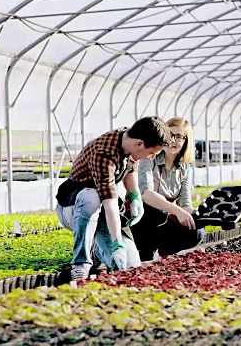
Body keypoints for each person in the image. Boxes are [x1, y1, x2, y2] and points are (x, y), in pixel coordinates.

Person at [55, 116, 171, 281]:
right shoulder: (104, 153)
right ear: (139, 144)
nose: (151, 158)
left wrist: (134, 195)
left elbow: (130, 169)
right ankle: (81, 263)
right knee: (91, 197)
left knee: (130, 267)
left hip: (102, 212)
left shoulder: (128, 138)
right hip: (73, 208)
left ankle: (97, 250)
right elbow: (110, 205)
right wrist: (117, 244)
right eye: (151, 153)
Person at [131, 116, 205, 261]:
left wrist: (201, 216)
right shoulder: (149, 158)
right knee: (157, 211)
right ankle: (144, 251)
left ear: (185, 142)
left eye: (179, 137)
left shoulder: (185, 169)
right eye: (170, 134)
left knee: (197, 232)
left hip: (164, 219)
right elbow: (146, 194)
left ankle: (164, 252)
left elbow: (185, 203)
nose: (173, 140)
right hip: (142, 218)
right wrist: (177, 211)